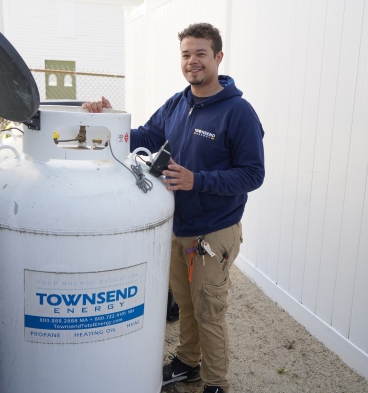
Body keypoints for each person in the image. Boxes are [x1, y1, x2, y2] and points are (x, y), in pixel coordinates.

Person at [83, 22, 264, 393]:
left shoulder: (238, 113)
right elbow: (147, 136)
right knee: (185, 301)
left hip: (214, 230)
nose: (192, 61)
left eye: (200, 53)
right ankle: (187, 362)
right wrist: (109, 121)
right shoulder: (178, 103)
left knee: (209, 310)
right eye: (186, 54)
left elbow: (252, 174)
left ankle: (216, 383)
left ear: (218, 57)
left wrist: (198, 180)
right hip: (178, 226)